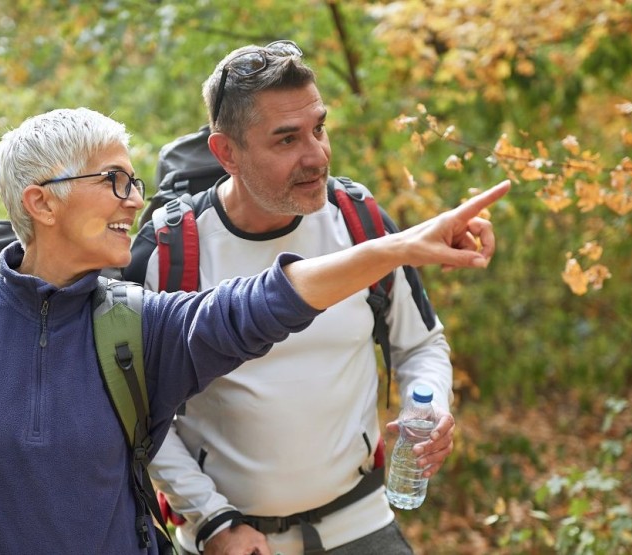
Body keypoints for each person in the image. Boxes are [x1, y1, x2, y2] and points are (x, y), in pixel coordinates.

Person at [0, 107, 505, 553]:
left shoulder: (138, 323)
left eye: (134, 181)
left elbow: (263, 304)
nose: (133, 200)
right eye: (113, 180)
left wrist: (396, 247)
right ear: (42, 202)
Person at [124, 41, 464, 555]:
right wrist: (211, 518)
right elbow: (134, 411)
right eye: (286, 140)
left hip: (363, 524)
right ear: (226, 153)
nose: (317, 155)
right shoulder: (170, 253)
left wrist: (432, 406)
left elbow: (421, 346)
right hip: (235, 541)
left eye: (319, 129)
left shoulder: (360, 221)